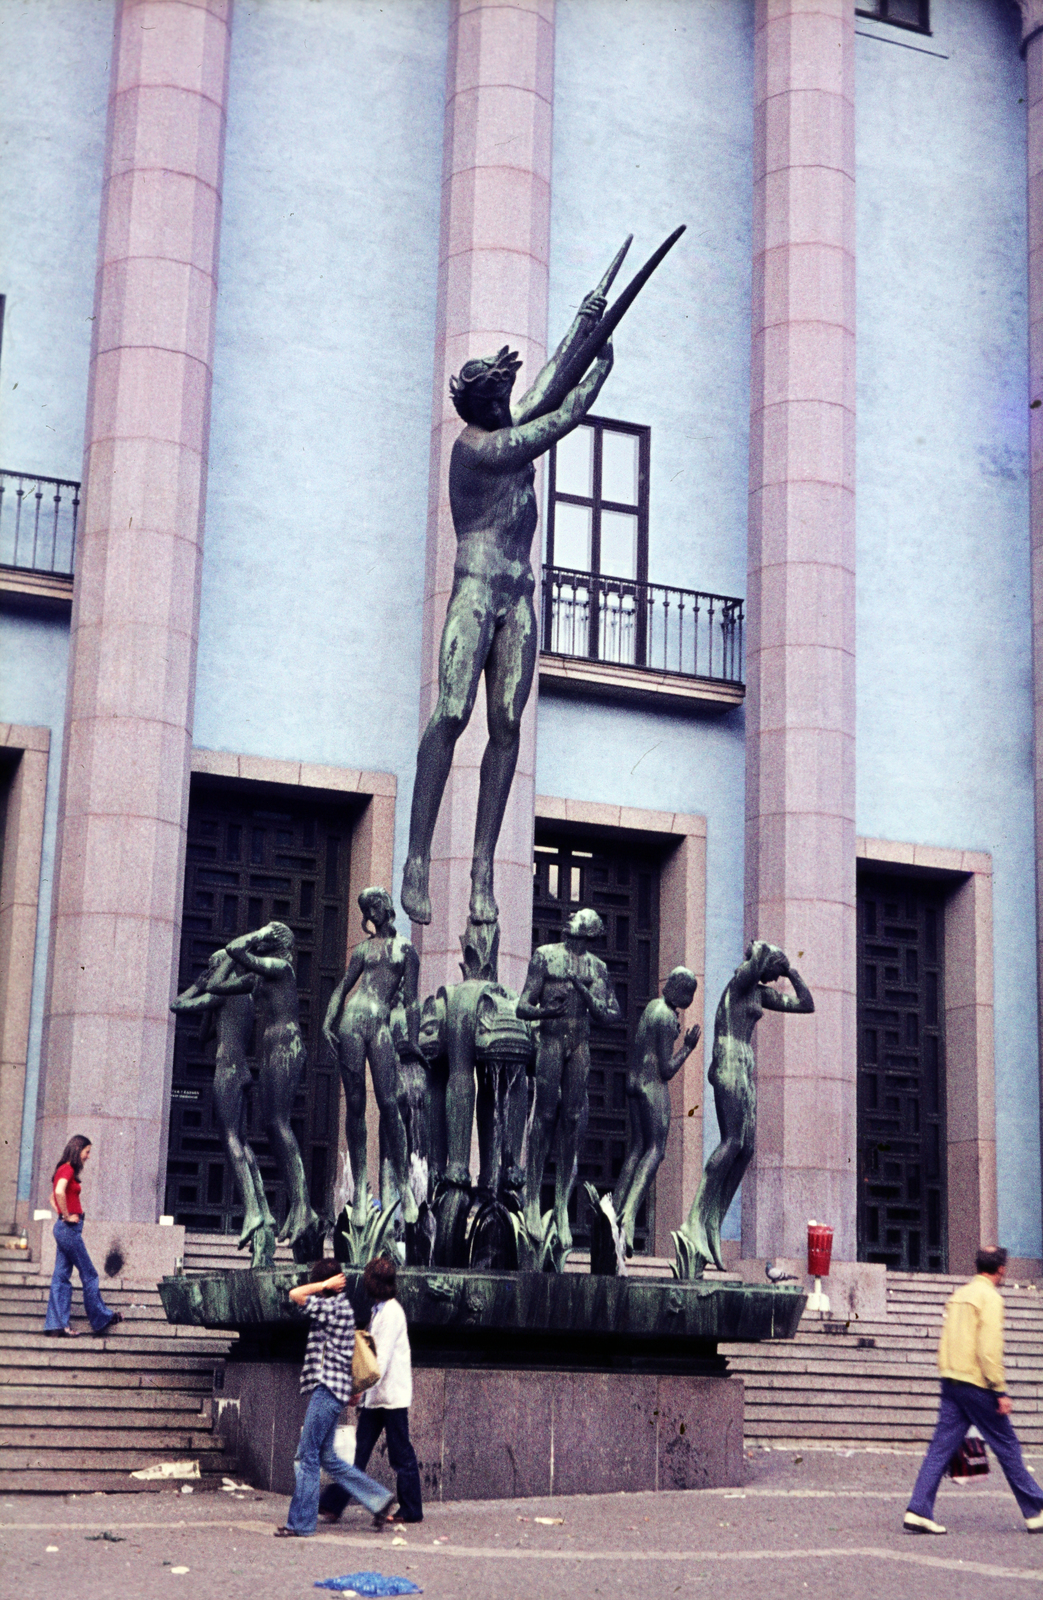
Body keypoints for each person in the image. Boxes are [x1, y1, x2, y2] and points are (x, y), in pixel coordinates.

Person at [400, 293, 613, 932]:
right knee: (452, 710)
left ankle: (482, 869)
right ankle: (416, 857)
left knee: (507, 723)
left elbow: (543, 390)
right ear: (482, 407)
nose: (507, 408)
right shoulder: (479, 449)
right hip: (475, 591)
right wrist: (597, 367)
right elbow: (560, 413)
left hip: (517, 595)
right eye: (499, 403)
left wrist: (584, 321)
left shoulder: (504, 426)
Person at [681, 941, 813, 1272]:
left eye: (772, 974)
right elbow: (755, 962)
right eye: (771, 971)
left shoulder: (759, 993)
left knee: (747, 1148)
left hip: (743, 1065)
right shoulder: (740, 982)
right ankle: (696, 1217)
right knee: (732, 1141)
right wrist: (763, 952)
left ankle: (714, 1217)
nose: (770, 978)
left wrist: (790, 970)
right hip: (727, 1060)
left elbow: (805, 1004)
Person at [904, 1246, 1043, 1535]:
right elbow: (989, 1350)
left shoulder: (959, 1295)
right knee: (1007, 1446)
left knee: (940, 1448)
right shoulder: (990, 1298)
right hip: (978, 1384)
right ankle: (1036, 1511)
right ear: (1001, 1269)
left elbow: (947, 1340)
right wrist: (1000, 1390)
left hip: (951, 1380)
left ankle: (918, 1508)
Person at [517, 907, 622, 1250]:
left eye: (578, 919)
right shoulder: (545, 957)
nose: (570, 921)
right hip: (549, 1040)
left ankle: (561, 1204)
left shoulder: (598, 967)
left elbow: (611, 1014)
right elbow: (522, 1006)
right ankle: (532, 1198)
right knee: (545, 1115)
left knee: (573, 1118)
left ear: (588, 931)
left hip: (579, 1044)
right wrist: (544, 1012)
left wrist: (586, 993)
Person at [219, 921, 322, 1254]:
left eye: (265, 937)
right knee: (269, 1124)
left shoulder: (281, 967)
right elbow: (220, 985)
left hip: (286, 1044)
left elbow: (237, 949)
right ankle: (298, 1204)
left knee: (278, 1122)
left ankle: (303, 1205)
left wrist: (256, 933)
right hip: (272, 1047)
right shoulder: (261, 976)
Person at [170, 949, 276, 1265]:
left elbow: (177, 1005)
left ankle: (254, 1213)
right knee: (242, 1142)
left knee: (231, 1141)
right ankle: (263, 1212)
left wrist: (198, 985)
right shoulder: (243, 995)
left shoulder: (224, 993)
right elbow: (205, 1034)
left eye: (211, 967)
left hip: (228, 1070)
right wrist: (210, 1007)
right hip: (242, 1070)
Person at [323, 888, 421, 1227]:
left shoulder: (406, 949)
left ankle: (404, 1186)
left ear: (387, 905)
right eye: (368, 907)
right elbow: (342, 988)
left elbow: (411, 1001)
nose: (374, 910)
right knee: (354, 1103)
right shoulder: (362, 950)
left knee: (390, 1103)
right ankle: (362, 1194)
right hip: (351, 1023)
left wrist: (413, 1037)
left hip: (379, 1025)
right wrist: (327, 1019)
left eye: (377, 903)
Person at [275, 1260, 394, 1537]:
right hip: (336, 1390)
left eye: (320, 1285)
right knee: (327, 1457)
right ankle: (379, 1499)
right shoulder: (343, 1308)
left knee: (306, 1456)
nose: (317, 1292)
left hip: (327, 1390)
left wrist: (322, 1286)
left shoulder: (331, 1306)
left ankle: (301, 1524)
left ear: (328, 1284)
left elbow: (295, 1295)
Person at [319, 1255, 423, 1526]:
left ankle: (411, 1509)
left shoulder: (390, 1314)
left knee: (400, 1455)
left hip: (390, 1397)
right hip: (379, 1397)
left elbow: (380, 1360)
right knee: (360, 1454)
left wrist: (359, 1391)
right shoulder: (382, 1311)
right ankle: (332, 1504)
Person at [612, 967, 701, 1252]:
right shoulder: (665, 1017)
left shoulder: (652, 1007)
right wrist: (686, 1047)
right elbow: (666, 1069)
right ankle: (626, 1223)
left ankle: (613, 1210)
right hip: (652, 1088)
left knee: (638, 1148)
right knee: (655, 1151)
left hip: (633, 1084)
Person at [43, 1134, 123, 1337]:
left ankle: (56, 1325)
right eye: (87, 1152)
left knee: (61, 1276)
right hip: (68, 1229)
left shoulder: (62, 1168)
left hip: (64, 1229)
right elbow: (59, 1192)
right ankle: (101, 1318)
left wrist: (62, 1214)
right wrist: (67, 1215)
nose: (88, 1156)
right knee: (89, 1274)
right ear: (78, 1150)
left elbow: (52, 1196)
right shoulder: (68, 1168)